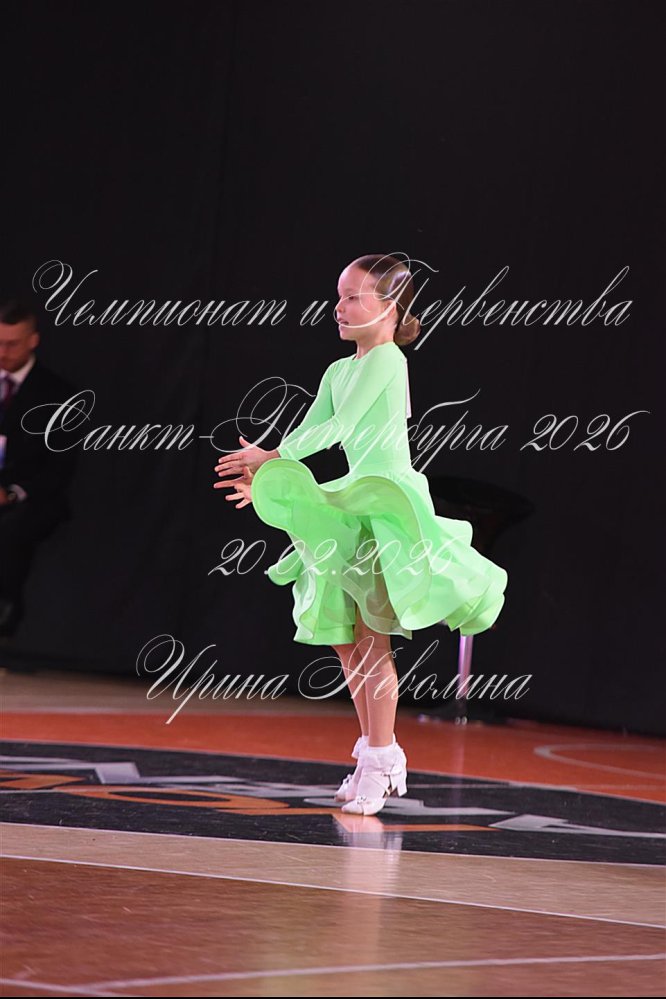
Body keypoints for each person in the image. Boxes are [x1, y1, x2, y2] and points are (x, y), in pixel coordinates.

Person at [213, 254, 508, 815]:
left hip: (386, 501)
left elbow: (341, 427)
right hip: (354, 497)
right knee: (347, 640)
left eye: (353, 298)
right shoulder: (337, 370)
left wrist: (271, 456)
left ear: (390, 307)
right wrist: (270, 476)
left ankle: (379, 761)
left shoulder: (388, 359)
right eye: (339, 297)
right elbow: (311, 429)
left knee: (373, 639)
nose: (340, 308)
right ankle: (381, 753)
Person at [0, 296, 79, 636]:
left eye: (12, 344)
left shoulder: (58, 395)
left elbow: (59, 469)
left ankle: (5, 614)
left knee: (10, 531)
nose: (3, 352)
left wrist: (12, 493)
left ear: (32, 340)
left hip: (28, 497)